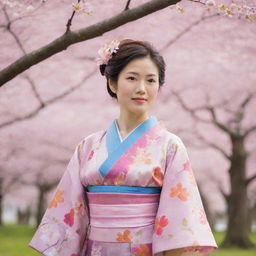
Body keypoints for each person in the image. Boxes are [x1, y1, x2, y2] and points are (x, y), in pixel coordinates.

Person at [29, 38, 218, 256]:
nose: (141, 89)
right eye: (131, 78)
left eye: (150, 80)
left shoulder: (170, 145)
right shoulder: (88, 146)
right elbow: (70, 210)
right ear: (112, 83)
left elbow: (180, 214)